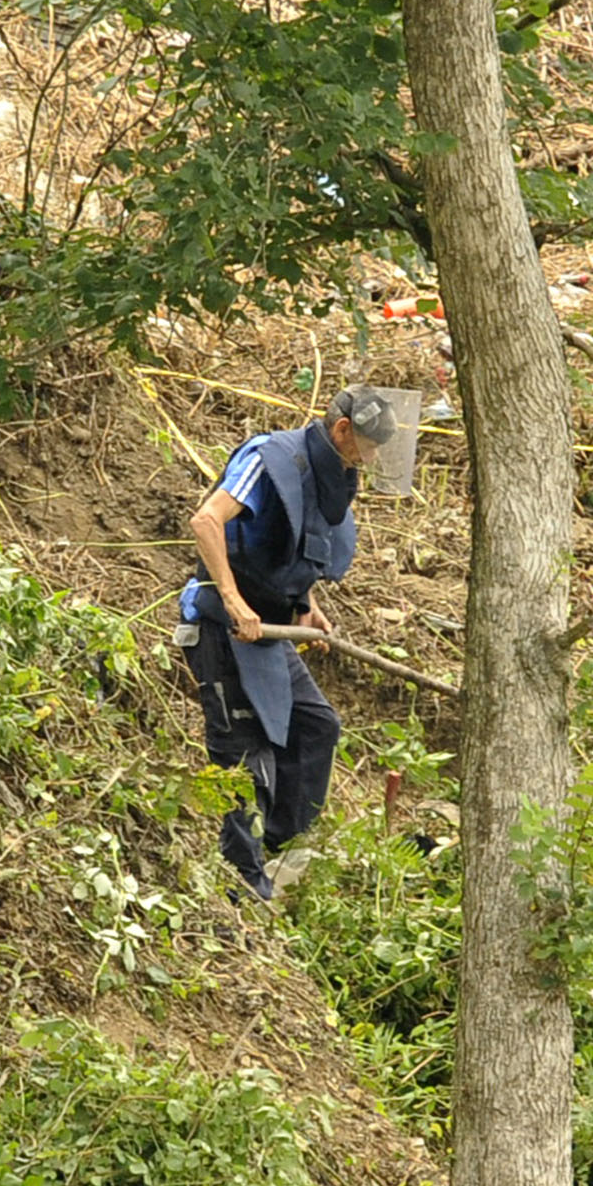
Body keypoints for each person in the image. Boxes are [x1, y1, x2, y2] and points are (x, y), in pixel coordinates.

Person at [179, 384, 402, 900]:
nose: (370, 460)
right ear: (342, 430)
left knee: (316, 727)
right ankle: (242, 882)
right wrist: (233, 600)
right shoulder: (271, 458)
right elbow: (206, 520)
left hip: (271, 629)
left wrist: (306, 604)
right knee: (246, 755)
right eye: (368, 447)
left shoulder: (330, 475)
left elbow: (295, 545)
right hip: (222, 625)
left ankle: (275, 848)